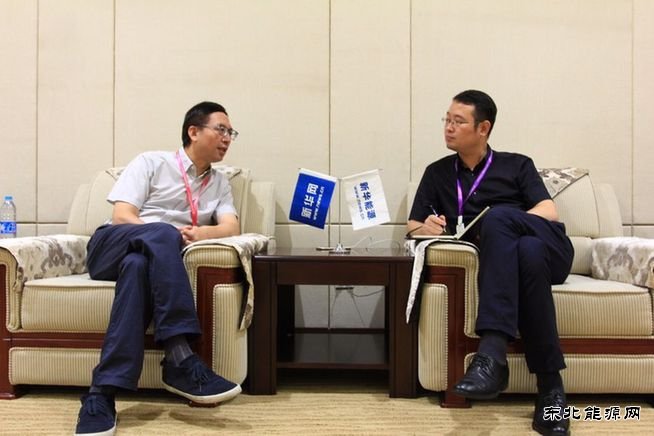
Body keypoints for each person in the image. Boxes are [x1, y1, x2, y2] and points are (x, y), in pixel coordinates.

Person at [407, 90, 574, 436]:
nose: (448, 127)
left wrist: (505, 225)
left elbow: (548, 211)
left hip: (553, 251)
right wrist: (428, 227)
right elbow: (412, 225)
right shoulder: (437, 173)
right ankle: (551, 390)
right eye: (447, 120)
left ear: (483, 128)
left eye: (458, 121)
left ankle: (493, 354)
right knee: (526, 252)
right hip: (527, 260)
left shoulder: (517, 164)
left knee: (500, 220)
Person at [75, 101, 242, 436]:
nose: (227, 138)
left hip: (141, 261)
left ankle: (101, 394)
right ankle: (180, 355)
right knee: (162, 234)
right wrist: (161, 238)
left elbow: (231, 226)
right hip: (111, 246)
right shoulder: (151, 162)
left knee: (138, 266)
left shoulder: (219, 182)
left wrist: (200, 234)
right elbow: (122, 216)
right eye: (221, 130)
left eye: (231, 132)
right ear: (193, 131)